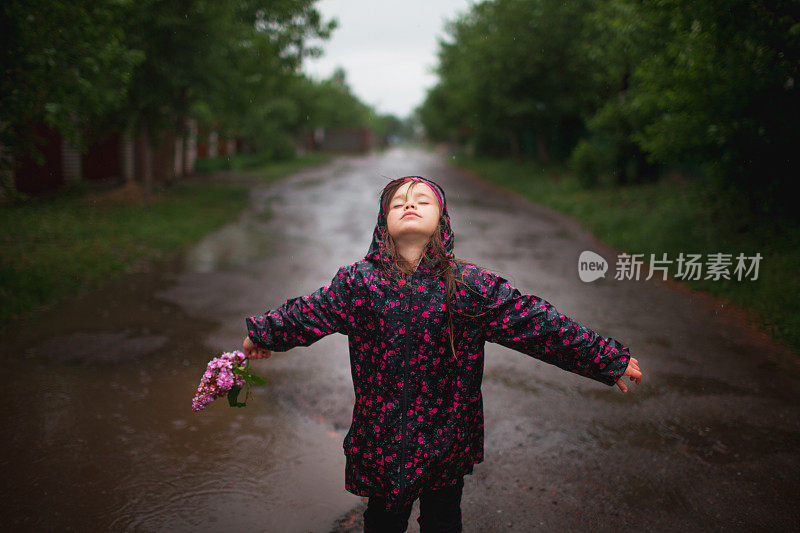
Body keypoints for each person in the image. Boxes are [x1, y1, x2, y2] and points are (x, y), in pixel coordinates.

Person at [243, 175, 642, 532]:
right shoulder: (359, 284)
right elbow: (308, 313)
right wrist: (262, 334)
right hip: (382, 439)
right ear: (384, 224)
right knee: (382, 520)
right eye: (398, 203)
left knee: (443, 520)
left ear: (442, 219)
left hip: (447, 437)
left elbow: (536, 324)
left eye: (422, 200)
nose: (409, 205)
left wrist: (605, 358)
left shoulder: (468, 285)